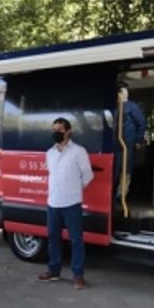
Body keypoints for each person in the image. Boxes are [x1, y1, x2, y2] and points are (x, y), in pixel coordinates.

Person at [38, 118, 94, 289]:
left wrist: (74, 189)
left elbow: (88, 176)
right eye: (54, 129)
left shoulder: (79, 151)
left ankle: (78, 275)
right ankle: (53, 271)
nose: (57, 133)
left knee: (76, 240)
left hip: (72, 203)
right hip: (53, 203)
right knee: (53, 239)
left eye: (60, 130)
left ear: (68, 131)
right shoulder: (50, 153)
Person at [115, 87, 147, 198]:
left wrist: (138, 139)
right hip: (116, 143)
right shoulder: (114, 107)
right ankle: (115, 191)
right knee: (116, 166)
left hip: (127, 142)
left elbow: (141, 123)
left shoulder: (132, 107)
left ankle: (122, 192)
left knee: (126, 167)